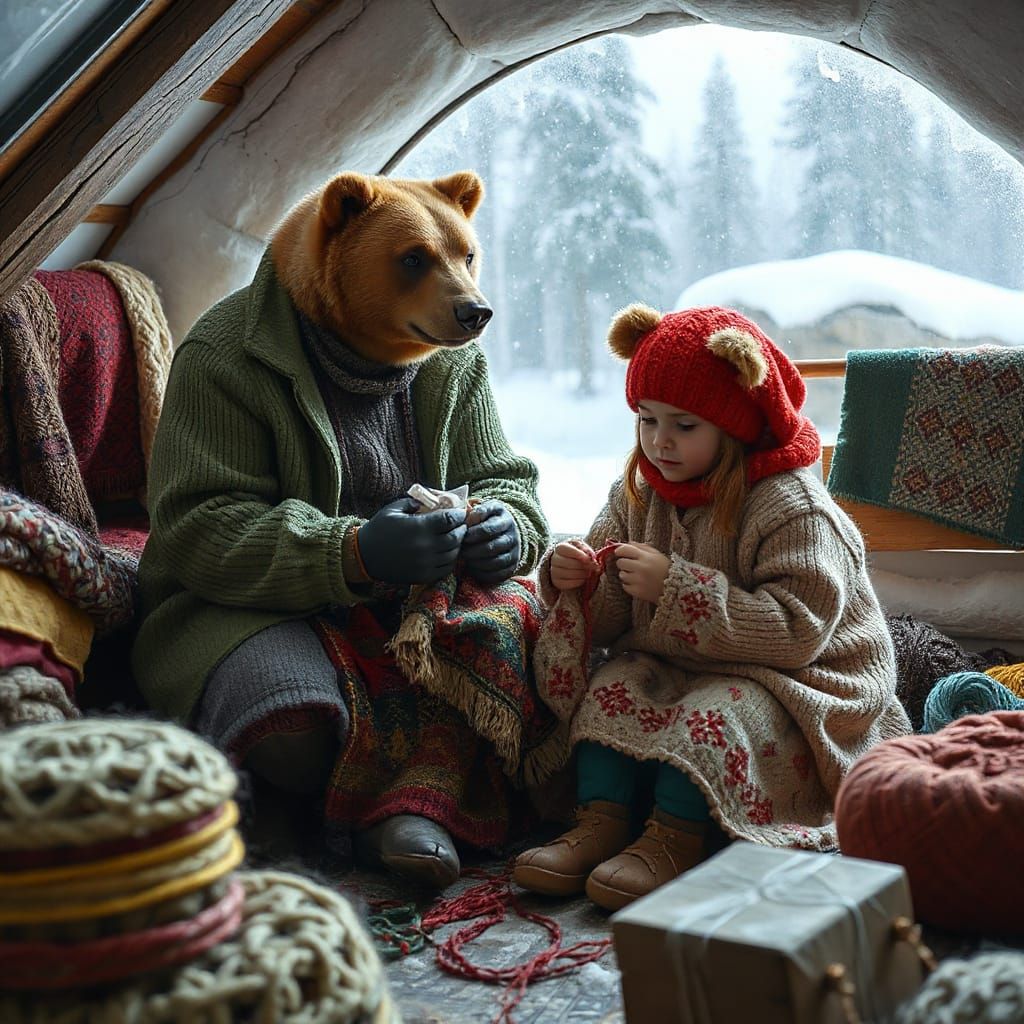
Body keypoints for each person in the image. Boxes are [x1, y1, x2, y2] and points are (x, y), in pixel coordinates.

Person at [132, 171, 549, 889]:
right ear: (340, 230)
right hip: (253, 607)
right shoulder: (225, 356)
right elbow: (198, 529)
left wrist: (509, 527)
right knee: (291, 720)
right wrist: (351, 552)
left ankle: (395, 814)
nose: (465, 294)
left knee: (540, 645)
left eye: (464, 259)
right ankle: (394, 811)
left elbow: (505, 478)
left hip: (417, 602)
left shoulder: (450, 357)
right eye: (414, 262)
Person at [513, 304, 910, 911]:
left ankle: (676, 836)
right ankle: (601, 820)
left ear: (735, 425)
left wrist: (675, 588)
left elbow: (797, 631)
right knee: (611, 687)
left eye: (684, 425)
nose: (659, 441)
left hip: (801, 679)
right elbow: (612, 615)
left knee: (715, 717)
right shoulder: (638, 492)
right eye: (647, 420)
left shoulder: (792, 507)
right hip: (687, 661)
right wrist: (579, 581)